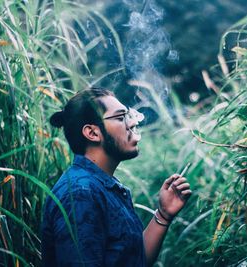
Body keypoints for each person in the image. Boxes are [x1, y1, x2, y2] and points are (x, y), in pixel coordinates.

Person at [41, 88, 192, 267]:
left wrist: (163, 215)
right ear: (92, 133)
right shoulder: (80, 194)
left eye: (129, 115)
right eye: (121, 118)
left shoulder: (101, 186)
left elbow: (134, 260)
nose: (133, 122)